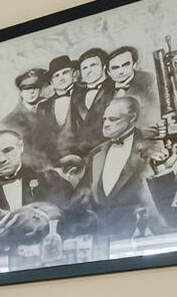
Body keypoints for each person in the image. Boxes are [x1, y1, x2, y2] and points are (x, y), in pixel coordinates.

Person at [76, 95, 167, 236]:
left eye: (113, 119)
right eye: (105, 119)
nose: (105, 124)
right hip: (104, 237)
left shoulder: (154, 146)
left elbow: (166, 195)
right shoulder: (96, 153)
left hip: (144, 235)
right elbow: (82, 195)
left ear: (131, 118)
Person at [0, 128, 73, 251]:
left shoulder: (49, 179)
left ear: (21, 147)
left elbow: (74, 217)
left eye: (7, 150)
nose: (2, 159)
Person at [0, 67, 60, 165]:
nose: (32, 92)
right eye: (27, 88)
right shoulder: (9, 121)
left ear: (40, 89)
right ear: (21, 92)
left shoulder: (50, 108)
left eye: (35, 87)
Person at [71, 48, 114, 148]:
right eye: (84, 68)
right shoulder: (76, 96)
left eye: (93, 65)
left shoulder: (115, 88)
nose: (89, 71)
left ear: (104, 67)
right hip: (84, 151)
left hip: (110, 147)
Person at [106, 45, 156, 120]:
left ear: (134, 65)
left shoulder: (148, 81)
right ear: (109, 72)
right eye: (115, 68)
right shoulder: (104, 89)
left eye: (125, 65)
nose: (121, 71)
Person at [44, 54, 79, 141]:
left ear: (73, 74)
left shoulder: (84, 94)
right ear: (51, 82)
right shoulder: (43, 107)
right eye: (57, 76)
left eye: (65, 73)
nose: (61, 78)